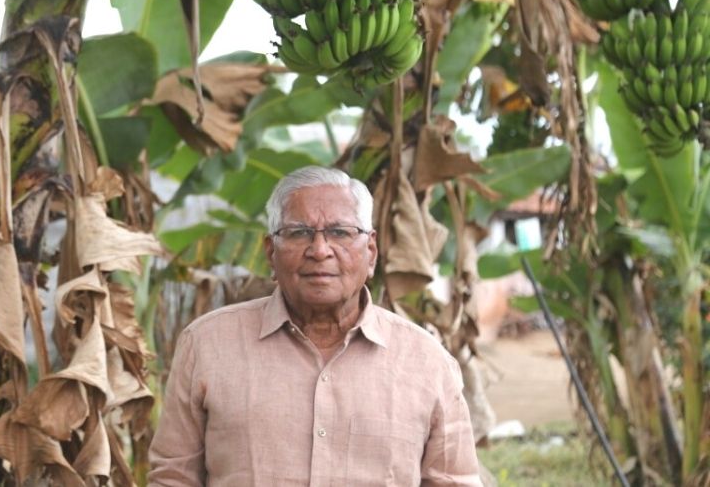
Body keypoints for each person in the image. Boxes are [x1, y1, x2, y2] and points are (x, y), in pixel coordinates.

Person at [149, 166, 481, 486]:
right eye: (298, 233)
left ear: (371, 252)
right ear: (270, 253)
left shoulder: (426, 362)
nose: (320, 250)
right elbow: (173, 478)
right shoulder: (207, 345)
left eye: (340, 232)